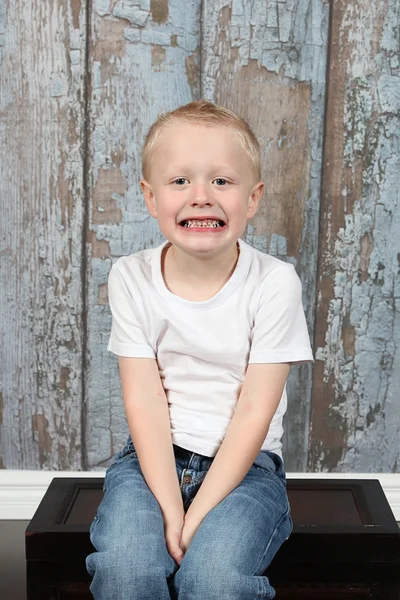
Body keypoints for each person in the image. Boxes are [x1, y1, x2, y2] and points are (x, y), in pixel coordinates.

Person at [85, 99, 314, 599]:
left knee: (213, 579)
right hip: (151, 463)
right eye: (180, 181)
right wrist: (170, 509)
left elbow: (255, 409)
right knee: (128, 567)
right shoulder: (132, 277)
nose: (201, 197)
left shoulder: (274, 283)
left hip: (246, 471)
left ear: (252, 199)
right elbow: (143, 399)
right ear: (150, 197)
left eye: (222, 182)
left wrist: (198, 517)